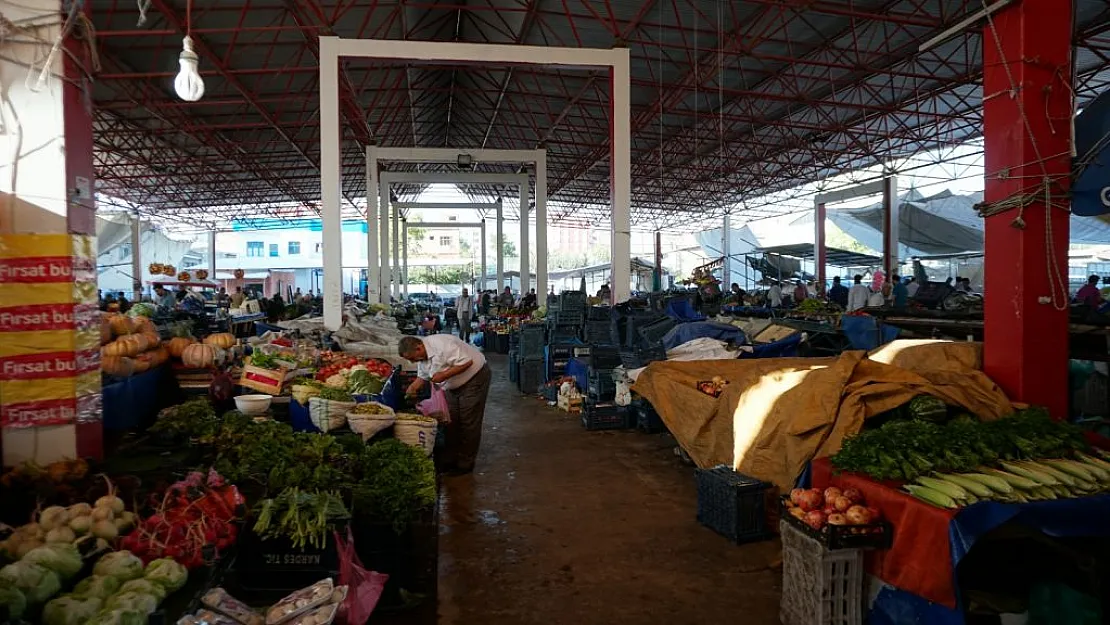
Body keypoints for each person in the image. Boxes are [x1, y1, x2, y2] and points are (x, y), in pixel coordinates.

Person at [399, 335, 491, 476]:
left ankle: (465, 464)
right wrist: (411, 389)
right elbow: (422, 377)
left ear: (419, 347)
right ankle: (450, 460)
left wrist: (444, 375)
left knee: (468, 422)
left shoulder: (442, 345)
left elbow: (467, 362)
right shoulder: (422, 357)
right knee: (451, 420)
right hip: (452, 386)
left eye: (412, 358)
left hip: (474, 379)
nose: (412, 362)